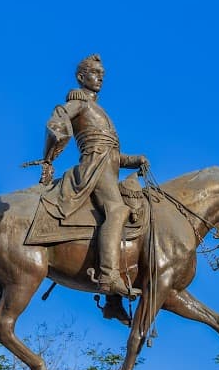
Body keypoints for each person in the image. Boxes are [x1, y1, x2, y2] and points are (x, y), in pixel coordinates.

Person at [35, 54, 150, 299]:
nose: (100, 79)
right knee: (117, 210)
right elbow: (59, 120)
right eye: (95, 74)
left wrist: (134, 159)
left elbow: (111, 153)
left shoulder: (99, 109)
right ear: (81, 77)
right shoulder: (80, 102)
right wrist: (50, 152)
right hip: (93, 168)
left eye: (102, 75)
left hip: (107, 166)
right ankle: (109, 277)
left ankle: (113, 302)